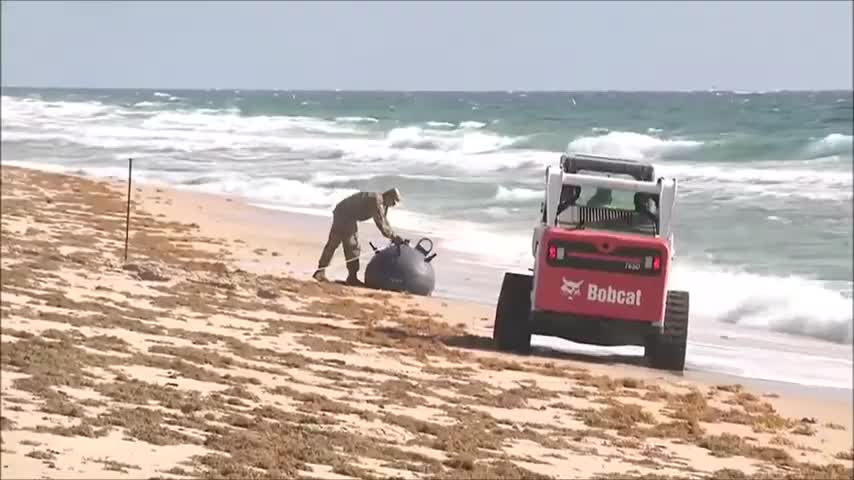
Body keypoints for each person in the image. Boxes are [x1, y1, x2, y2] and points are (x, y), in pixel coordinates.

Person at [313, 188, 403, 286]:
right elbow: (381, 224)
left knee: (334, 243)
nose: (393, 205)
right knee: (352, 246)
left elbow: (385, 221)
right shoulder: (376, 200)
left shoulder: (383, 204)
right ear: (388, 196)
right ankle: (351, 277)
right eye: (393, 202)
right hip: (345, 215)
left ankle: (321, 271)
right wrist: (394, 237)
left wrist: (394, 235)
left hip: (343, 213)